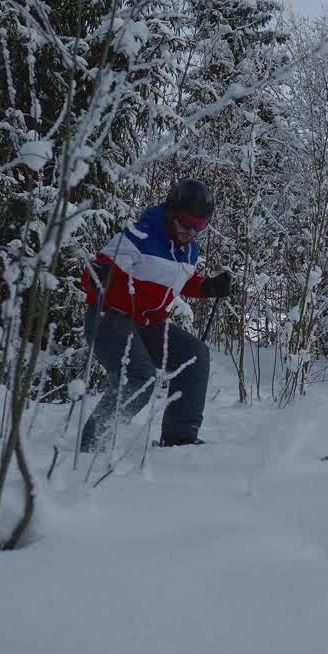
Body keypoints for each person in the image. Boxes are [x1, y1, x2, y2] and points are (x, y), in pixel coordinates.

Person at [78, 178, 232, 452]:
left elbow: (179, 280)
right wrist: (97, 275)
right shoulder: (140, 235)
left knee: (194, 354)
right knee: (141, 377)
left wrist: (206, 286)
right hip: (110, 318)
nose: (191, 231)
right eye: (186, 222)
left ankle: (179, 439)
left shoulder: (189, 249)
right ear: (173, 211)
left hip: (148, 323)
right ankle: (93, 442)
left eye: (199, 226)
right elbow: (94, 272)